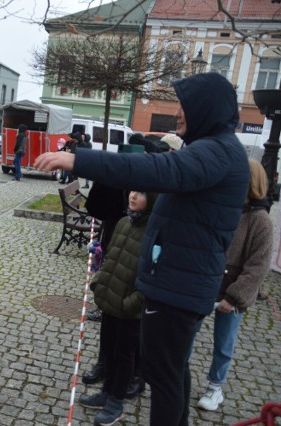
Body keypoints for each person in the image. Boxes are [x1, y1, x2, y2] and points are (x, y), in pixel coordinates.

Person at [33, 72, 249, 426]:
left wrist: (79, 159)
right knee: (171, 371)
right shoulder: (214, 148)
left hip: (178, 288)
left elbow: (158, 169)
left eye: (185, 105)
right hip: (177, 283)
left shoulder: (216, 151)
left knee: (162, 377)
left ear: (205, 109)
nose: (177, 112)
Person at [196, 159, 273, 411]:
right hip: (205, 286)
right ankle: (177, 377)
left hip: (231, 294)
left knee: (224, 343)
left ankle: (215, 386)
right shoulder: (223, 208)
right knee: (186, 336)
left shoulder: (260, 221)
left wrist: (235, 297)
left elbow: (258, 267)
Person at [79, 191, 157, 425]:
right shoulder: (123, 222)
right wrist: (99, 283)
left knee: (125, 356)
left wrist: (130, 303)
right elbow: (111, 257)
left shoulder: (154, 232)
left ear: (152, 198)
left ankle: (116, 401)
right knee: (110, 350)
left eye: (141, 193)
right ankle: (106, 390)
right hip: (110, 302)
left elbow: (152, 278)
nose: (133, 196)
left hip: (129, 310)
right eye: (133, 190)